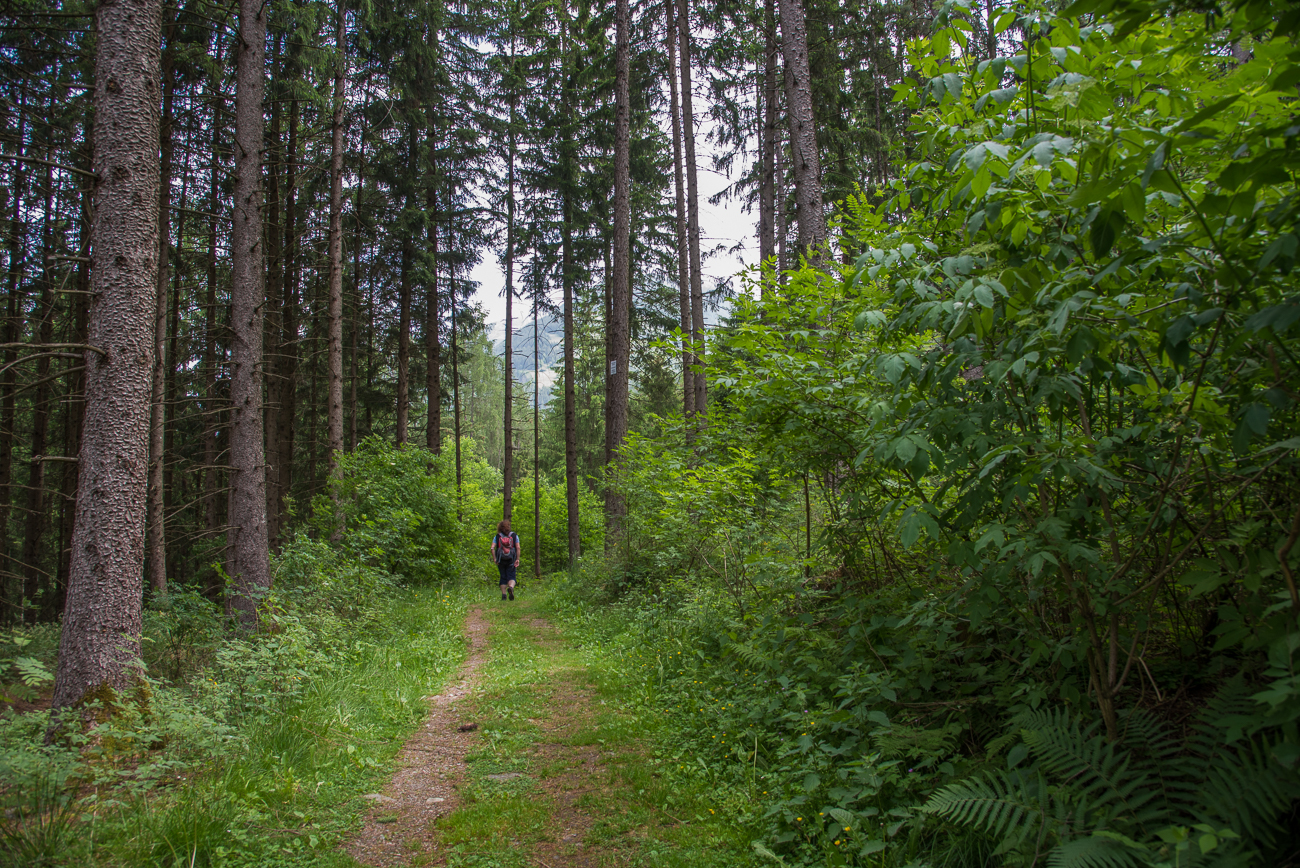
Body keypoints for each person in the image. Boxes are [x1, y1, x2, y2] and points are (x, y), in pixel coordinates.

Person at [490, 519, 521, 601]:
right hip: (511, 559)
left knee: (503, 576)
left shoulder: (497, 536)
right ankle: (511, 587)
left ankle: (504, 595)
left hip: (501, 559)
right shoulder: (514, 535)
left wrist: (495, 558)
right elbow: (518, 547)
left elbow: (492, 548)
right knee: (512, 576)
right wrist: (517, 559)